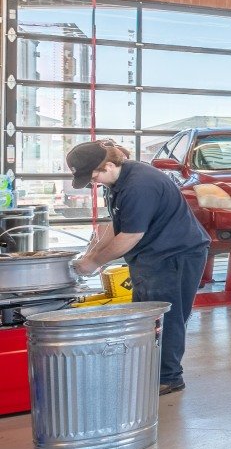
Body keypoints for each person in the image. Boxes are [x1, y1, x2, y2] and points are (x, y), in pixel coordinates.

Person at [67, 140, 212, 396]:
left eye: (93, 176)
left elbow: (130, 236)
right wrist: (93, 252)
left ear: (109, 165)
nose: (94, 182)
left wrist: (93, 263)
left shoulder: (139, 185)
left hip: (175, 255)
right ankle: (149, 370)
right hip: (151, 255)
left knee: (166, 316)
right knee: (145, 316)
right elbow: (117, 224)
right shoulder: (115, 182)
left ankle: (168, 377)